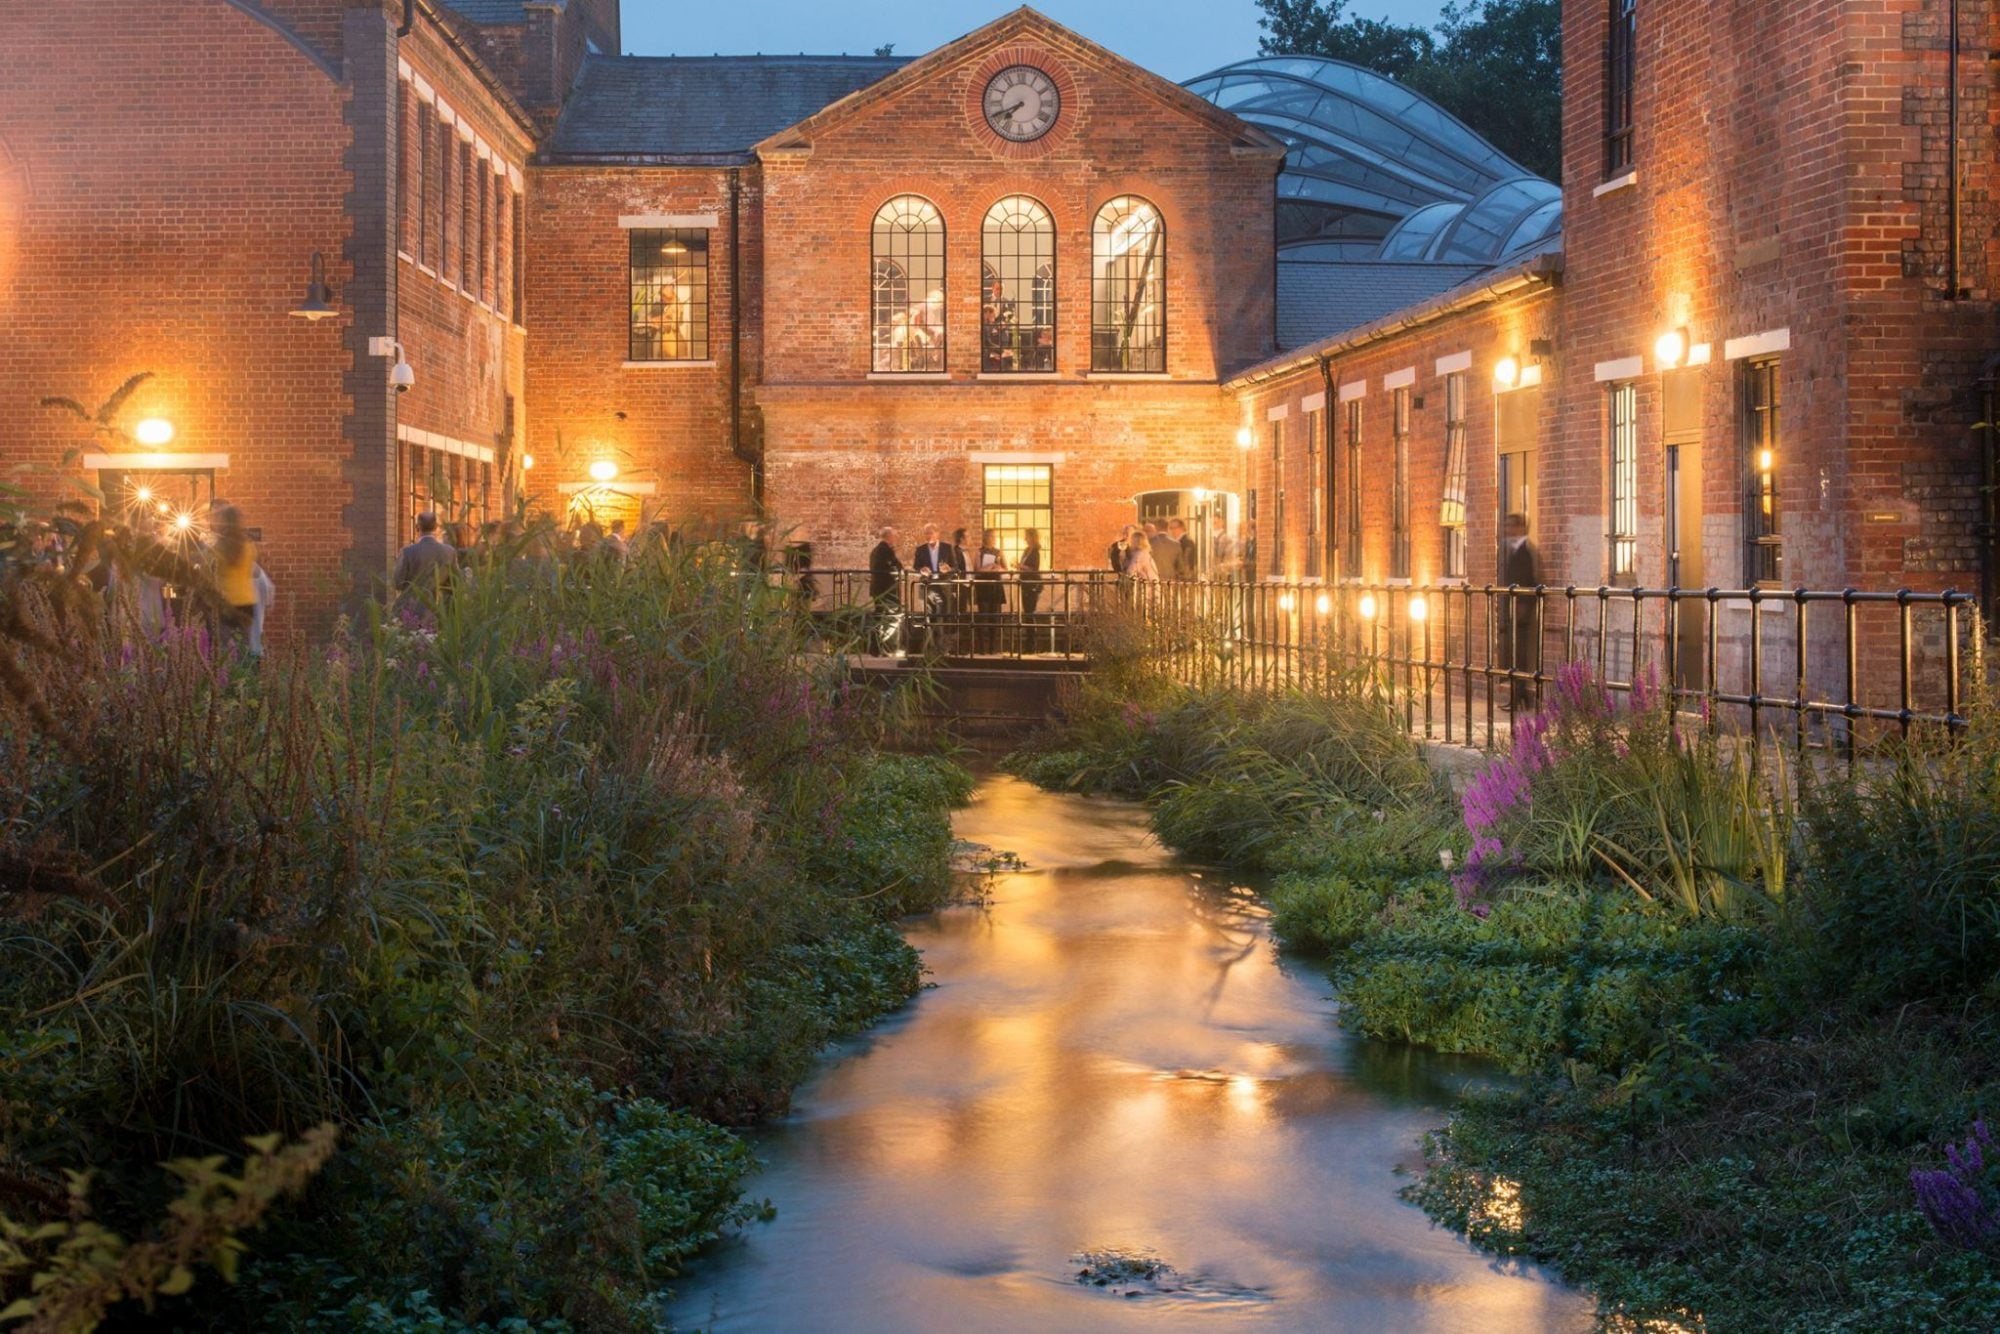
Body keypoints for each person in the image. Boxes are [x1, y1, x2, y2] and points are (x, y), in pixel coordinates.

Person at [1499, 512, 1542, 710]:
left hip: (1522, 611)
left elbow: (1532, 580)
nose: (1507, 530)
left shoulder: (1526, 551)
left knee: (1520, 653)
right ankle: (1522, 695)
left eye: (1510, 526)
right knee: (1516, 653)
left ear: (1520, 528)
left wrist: (1522, 606)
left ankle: (1520, 695)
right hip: (1514, 608)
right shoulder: (1514, 549)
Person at [210, 504, 259, 645]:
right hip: (247, 601)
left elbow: (209, 571)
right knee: (244, 645)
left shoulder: (218, 547)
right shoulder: (249, 546)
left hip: (225, 602)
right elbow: (253, 572)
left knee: (224, 646)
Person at [393, 510, 458, 597]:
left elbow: (398, 583)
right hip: (440, 606)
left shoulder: (407, 552)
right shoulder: (450, 551)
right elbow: (455, 582)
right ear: (435, 527)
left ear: (417, 527)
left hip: (413, 606)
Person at [973, 528, 1007, 653]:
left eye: (995, 536)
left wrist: (998, 568)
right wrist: (987, 567)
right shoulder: (979, 552)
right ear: (986, 537)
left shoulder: (999, 552)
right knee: (983, 617)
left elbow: (1005, 569)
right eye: (991, 536)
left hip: (996, 585)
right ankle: (982, 648)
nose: (994, 538)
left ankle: (994, 648)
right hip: (983, 586)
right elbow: (976, 570)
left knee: (995, 617)